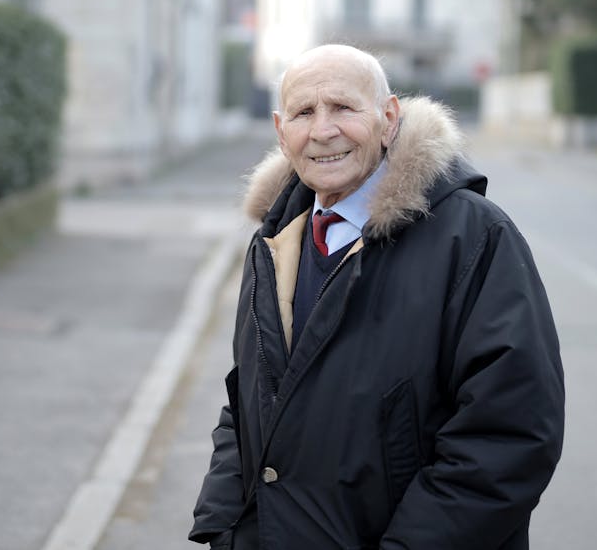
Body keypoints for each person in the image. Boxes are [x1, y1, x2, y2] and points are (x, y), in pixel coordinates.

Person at [190, 44, 565, 549]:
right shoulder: (276, 241)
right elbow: (249, 404)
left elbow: (509, 433)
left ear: (389, 119)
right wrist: (223, 527)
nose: (323, 130)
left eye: (343, 107)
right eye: (304, 113)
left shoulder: (474, 236)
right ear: (282, 133)